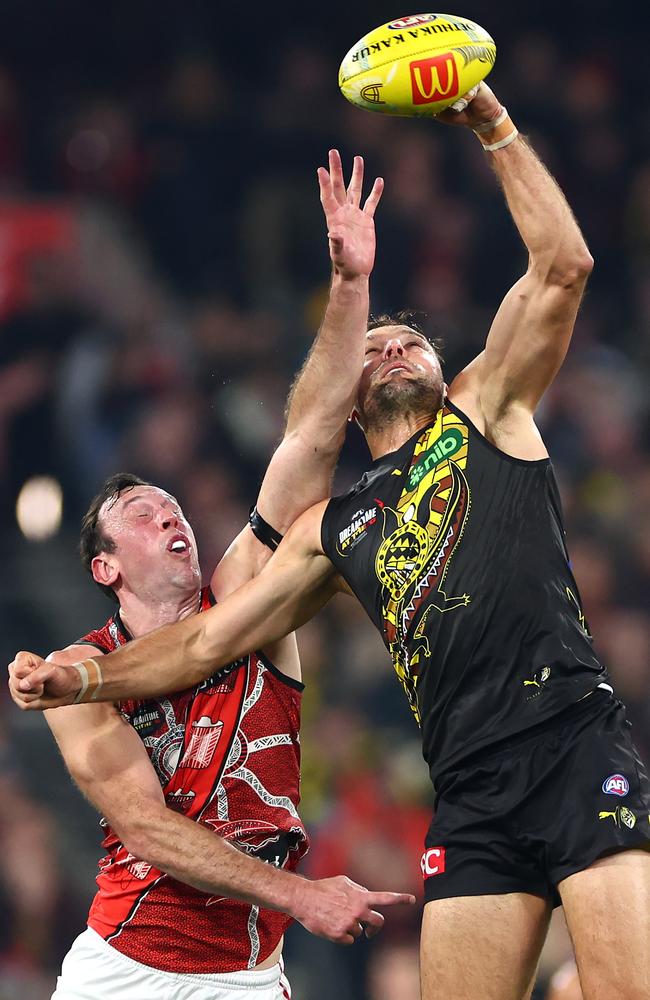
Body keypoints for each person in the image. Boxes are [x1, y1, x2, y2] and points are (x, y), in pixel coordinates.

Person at [10, 83, 650, 1000]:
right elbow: (205, 640)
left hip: (575, 742)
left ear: (444, 368)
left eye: (412, 343)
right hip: (468, 787)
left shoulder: (487, 411)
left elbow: (564, 266)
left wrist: (490, 124)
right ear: (351, 400)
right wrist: (84, 679)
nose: (393, 351)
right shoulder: (332, 526)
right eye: (376, 347)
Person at [9, 151, 415, 1000]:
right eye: (145, 514)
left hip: (244, 974)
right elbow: (151, 832)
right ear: (105, 566)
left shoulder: (247, 600)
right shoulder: (71, 672)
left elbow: (306, 438)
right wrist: (302, 893)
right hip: (122, 965)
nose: (173, 517)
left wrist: (349, 285)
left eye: (175, 508)